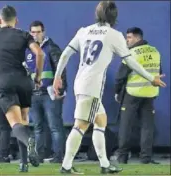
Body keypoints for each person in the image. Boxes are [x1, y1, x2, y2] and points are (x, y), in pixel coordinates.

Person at [53, 1, 166, 174]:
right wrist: (152, 78)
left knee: (101, 121)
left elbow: (66, 54)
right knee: (80, 125)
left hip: (80, 82)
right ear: (115, 16)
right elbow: (130, 61)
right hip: (91, 87)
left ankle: (105, 165)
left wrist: (57, 76)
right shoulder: (114, 35)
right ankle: (66, 166)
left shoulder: (84, 31)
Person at [0, 5, 44, 172]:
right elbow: (40, 54)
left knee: (15, 124)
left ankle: (29, 142)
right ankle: (24, 163)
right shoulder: (23, 34)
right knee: (23, 120)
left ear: (0, 20)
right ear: (16, 21)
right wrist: (37, 77)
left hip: (3, 81)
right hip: (23, 80)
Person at [114, 27, 161, 165]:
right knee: (147, 127)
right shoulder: (155, 51)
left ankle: (122, 157)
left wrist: (117, 92)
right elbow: (158, 72)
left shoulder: (131, 53)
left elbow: (120, 76)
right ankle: (146, 158)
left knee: (126, 126)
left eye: (129, 37)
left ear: (137, 38)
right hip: (150, 93)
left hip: (132, 94)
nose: (126, 40)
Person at [26, 20, 67, 163]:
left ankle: (59, 156)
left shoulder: (52, 48)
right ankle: (40, 155)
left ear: (43, 32)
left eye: (38, 32)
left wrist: (60, 89)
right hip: (33, 94)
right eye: (33, 32)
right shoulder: (28, 50)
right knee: (37, 127)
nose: (35, 35)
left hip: (50, 93)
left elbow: (60, 70)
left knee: (55, 126)